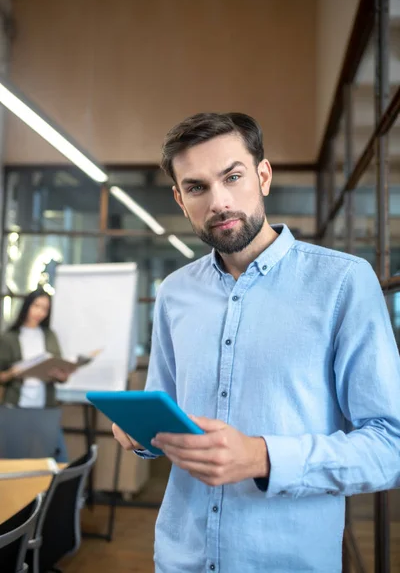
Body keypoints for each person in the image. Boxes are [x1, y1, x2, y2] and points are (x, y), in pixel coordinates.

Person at [112, 112, 400, 572]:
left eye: (233, 177)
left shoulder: (344, 282)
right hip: (179, 557)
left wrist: (262, 457)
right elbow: (162, 408)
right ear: (180, 199)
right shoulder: (173, 293)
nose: (219, 201)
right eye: (197, 187)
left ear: (263, 176)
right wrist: (141, 434)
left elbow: (391, 446)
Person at [0, 287, 70, 462]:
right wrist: (13, 372)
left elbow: (59, 367)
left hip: (45, 405)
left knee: (58, 456)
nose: (40, 312)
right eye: (36, 306)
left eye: (45, 309)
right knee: (16, 457)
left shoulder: (49, 336)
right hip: (16, 406)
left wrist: (60, 374)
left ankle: (49, 489)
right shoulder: (9, 337)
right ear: (27, 306)